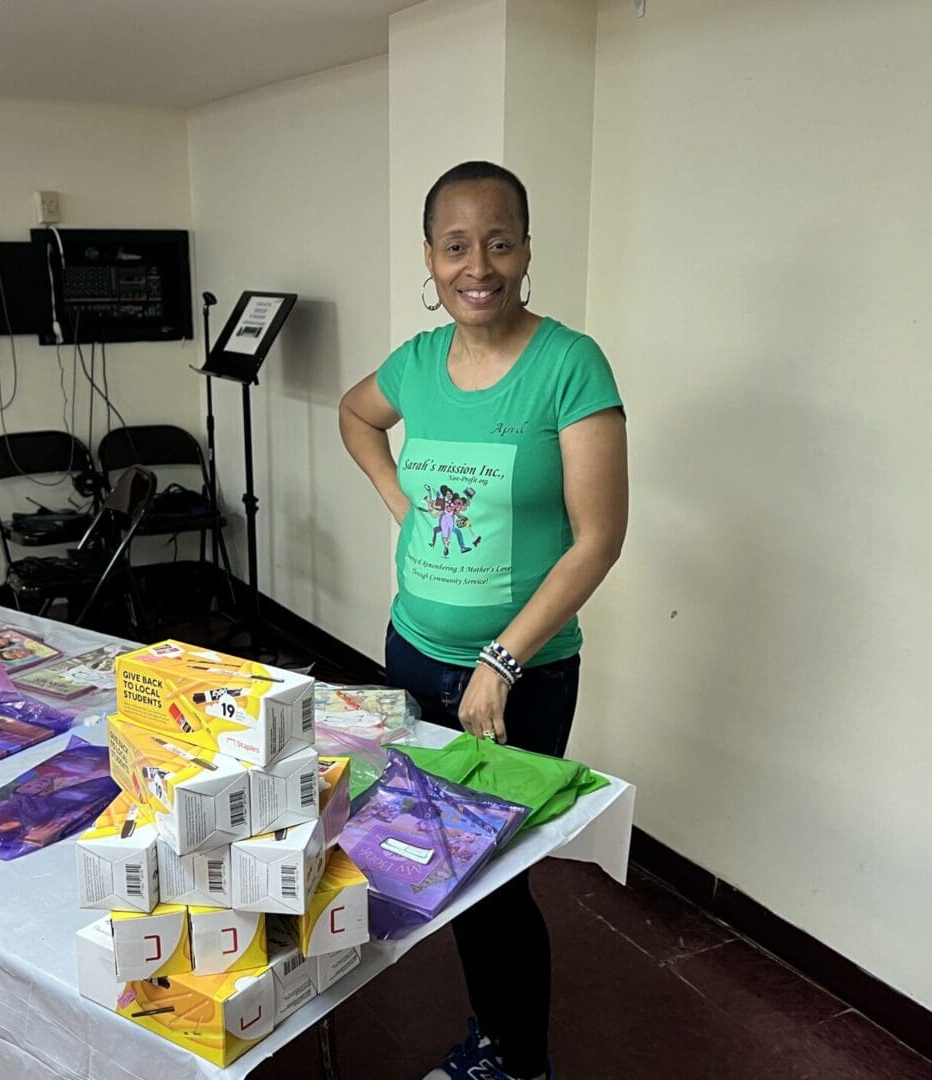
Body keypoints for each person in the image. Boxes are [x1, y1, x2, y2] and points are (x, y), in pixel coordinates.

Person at [338, 161, 629, 1080]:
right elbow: (356, 415)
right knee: (432, 855)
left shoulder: (569, 366)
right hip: (413, 653)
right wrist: (399, 500)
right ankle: (489, 1036)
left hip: (520, 679)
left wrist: (501, 660)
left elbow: (600, 537)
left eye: (499, 242)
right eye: (457, 245)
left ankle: (515, 1062)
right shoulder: (419, 365)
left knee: (495, 886)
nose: (479, 265)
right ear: (430, 257)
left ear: (527, 249)